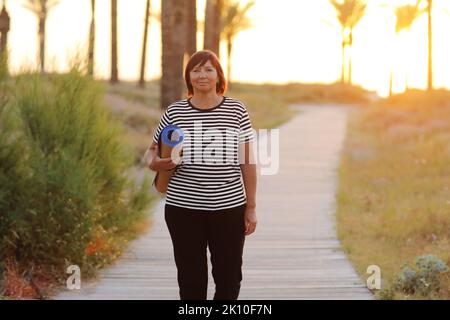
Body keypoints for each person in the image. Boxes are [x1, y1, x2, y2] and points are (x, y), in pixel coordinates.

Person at [145, 50, 257, 300]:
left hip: (229, 208)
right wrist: (159, 164)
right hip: (183, 209)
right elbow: (151, 154)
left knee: (229, 279)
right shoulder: (175, 112)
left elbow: (248, 162)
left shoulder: (236, 111)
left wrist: (251, 207)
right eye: (195, 70)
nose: (202, 75)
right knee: (191, 280)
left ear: (218, 76)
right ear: (189, 77)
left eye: (208, 69)